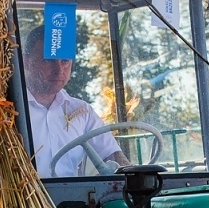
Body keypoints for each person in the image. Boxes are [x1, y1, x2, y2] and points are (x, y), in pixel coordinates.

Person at [21, 25, 129, 178]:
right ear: (26, 62)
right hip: (22, 199)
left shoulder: (82, 111)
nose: (58, 70)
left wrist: (133, 175)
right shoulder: (6, 113)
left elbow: (112, 155)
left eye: (65, 60)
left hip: (74, 198)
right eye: (48, 60)